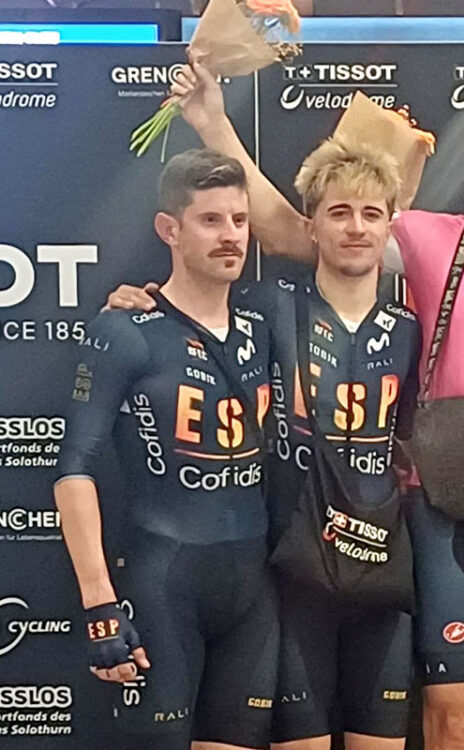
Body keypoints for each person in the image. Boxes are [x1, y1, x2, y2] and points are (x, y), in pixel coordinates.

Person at [159, 62, 464, 750]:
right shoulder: (429, 237)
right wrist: (213, 125)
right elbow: (292, 230)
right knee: (453, 719)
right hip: (441, 507)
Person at [108, 119, 422, 746]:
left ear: (390, 228)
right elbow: (191, 310)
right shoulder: (267, 309)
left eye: (370, 215)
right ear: (312, 226)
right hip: (293, 576)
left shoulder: (411, 325)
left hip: (380, 572)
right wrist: (137, 304)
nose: (355, 228)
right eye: (339, 213)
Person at [56, 150, 278, 750]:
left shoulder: (265, 328)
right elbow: (75, 468)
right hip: (163, 584)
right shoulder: (124, 330)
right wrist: (98, 603)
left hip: (253, 591)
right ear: (169, 229)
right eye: (210, 220)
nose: (230, 235)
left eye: (239, 220)